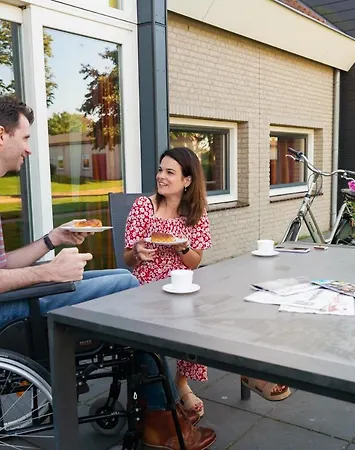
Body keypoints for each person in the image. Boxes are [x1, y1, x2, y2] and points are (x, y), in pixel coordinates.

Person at [0, 95, 215, 450]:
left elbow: (4, 265)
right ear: (2, 135)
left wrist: (52, 239)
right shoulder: (145, 207)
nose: (30, 149)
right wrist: (50, 272)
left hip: (17, 294)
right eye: (25, 138)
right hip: (12, 309)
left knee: (123, 284)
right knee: (129, 286)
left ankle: (161, 406)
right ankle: (160, 417)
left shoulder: (195, 214)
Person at [124, 147, 290, 416]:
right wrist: (137, 252)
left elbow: (194, 262)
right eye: (160, 170)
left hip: (184, 284)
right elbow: (128, 259)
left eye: (170, 172)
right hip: (147, 287)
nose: (161, 176)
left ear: (187, 180)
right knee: (197, 319)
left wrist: (182, 247)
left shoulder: (196, 212)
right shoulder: (144, 207)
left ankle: (200, 378)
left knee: (225, 308)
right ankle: (235, 374)